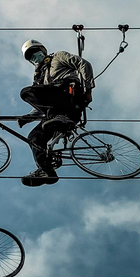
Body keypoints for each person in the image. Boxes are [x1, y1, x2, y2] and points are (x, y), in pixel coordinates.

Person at [18, 39, 95, 187]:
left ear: (42, 50)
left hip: (69, 100)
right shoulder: (40, 77)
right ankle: (46, 170)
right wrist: (27, 118)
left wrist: (88, 90)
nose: (34, 56)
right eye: (30, 56)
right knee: (34, 138)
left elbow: (84, 64)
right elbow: (40, 103)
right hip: (54, 116)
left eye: (35, 52)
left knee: (27, 92)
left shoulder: (59, 57)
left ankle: (61, 118)